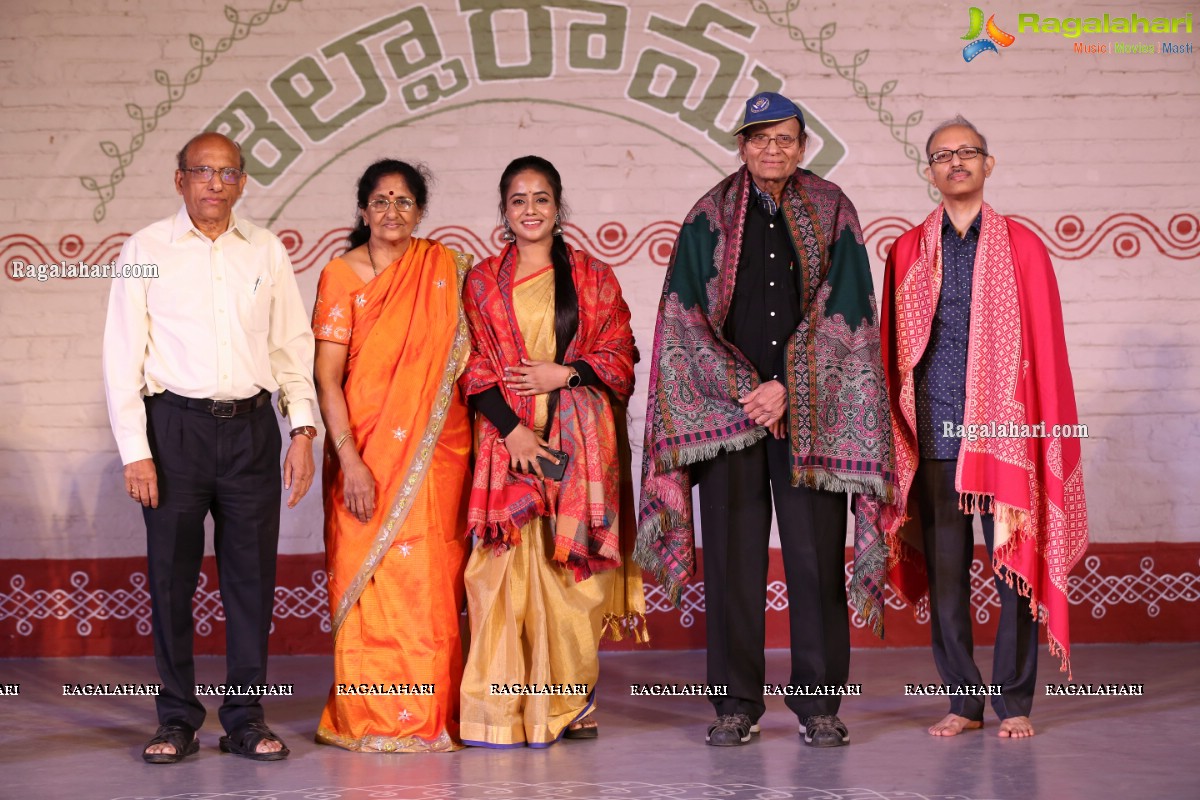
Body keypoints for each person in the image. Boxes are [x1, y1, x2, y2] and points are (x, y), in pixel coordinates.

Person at [637, 92, 894, 748]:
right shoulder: (709, 215)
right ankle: (734, 706)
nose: (771, 150)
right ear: (742, 145)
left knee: (813, 563)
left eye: (784, 139)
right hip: (729, 419)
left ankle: (819, 707)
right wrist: (747, 390)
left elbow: (851, 310)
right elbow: (682, 317)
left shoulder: (834, 209)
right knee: (731, 563)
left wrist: (787, 387)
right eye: (758, 139)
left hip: (814, 417)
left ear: (803, 145)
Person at [103, 132, 317, 763]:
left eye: (227, 174)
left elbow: (290, 348)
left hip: (252, 431)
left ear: (243, 183)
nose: (215, 184)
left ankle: (245, 718)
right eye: (202, 172)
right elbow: (122, 357)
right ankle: (175, 720)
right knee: (171, 580)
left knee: (250, 580)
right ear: (180, 180)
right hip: (173, 431)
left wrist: (301, 430)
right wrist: (134, 450)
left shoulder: (266, 250)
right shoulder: (145, 249)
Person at [880, 115, 1088, 739]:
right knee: (947, 577)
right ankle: (963, 701)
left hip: (1007, 440)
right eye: (943, 155)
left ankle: (1015, 700)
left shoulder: (1023, 246)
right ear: (930, 172)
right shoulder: (908, 249)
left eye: (968, 152)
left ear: (988, 165)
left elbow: (1047, 349)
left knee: (1014, 570)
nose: (957, 162)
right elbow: (894, 349)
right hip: (938, 437)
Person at [458, 155, 645, 748]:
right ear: (504, 210)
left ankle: (569, 701)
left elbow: (621, 354)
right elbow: (470, 364)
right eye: (519, 199)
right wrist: (512, 428)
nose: (530, 209)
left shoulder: (593, 276)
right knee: (501, 572)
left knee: (571, 576)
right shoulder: (482, 280)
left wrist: (563, 374)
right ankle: (500, 708)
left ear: (558, 207)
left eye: (541, 198)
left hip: (579, 445)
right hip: (505, 442)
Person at [311, 159, 474, 752]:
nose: (392, 212)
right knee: (371, 576)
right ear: (362, 211)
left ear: (420, 212)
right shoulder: (340, 275)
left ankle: (434, 715)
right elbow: (327, 379)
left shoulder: (444, 268)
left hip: (439, 456)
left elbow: (466, 365)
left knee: (432, 578)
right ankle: (369, 718)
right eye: (381, 201)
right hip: (366, 452)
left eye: (404, 202)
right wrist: (350, 459)